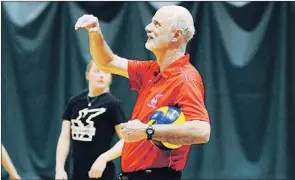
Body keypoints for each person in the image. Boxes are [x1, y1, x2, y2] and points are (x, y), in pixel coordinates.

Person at [75, 5, 211, 180]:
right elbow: (107, 62)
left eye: (157, 24)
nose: (148, 27)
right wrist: (95, 33)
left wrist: (148, 131)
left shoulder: (185, 78)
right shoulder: (151, 70)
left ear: (176, 36)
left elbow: (202, 131)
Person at [55, 60, 126, 180]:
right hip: (77, 172)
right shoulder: (75, 102)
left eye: (106, 72)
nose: (101, 75)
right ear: (87, 75)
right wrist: (59, 169)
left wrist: (103, 158)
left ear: (110, 77)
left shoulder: (113, 104)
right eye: (97, 71)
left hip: (102, 173)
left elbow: (126, 140)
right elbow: (65, 136)